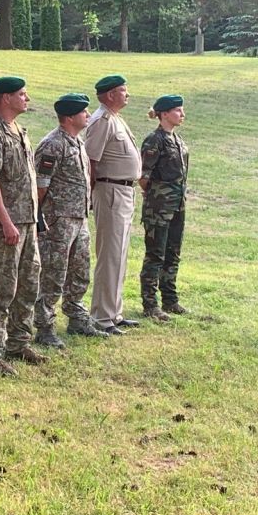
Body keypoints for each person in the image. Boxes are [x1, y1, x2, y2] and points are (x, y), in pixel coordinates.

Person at [0, 76, 49, 376]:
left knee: (29, 284)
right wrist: (5, 222)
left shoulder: (19, 132)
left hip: (27, 221)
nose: (26, 98)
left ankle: (18, 341)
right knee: (2, 287)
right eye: (21, 94)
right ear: (5, 98)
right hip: (6, 224)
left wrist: (34, 218)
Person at [33, 93, 108, 348]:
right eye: (83, 112)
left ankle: (77, 317)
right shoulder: (53, 144)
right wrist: (41, 219)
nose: (88, 115)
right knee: (53, 273)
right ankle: (44, 326)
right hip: (58, 220)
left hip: (78, 217)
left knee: (79, 270)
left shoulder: (77, 143)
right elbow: (40, 185)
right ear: (68, 117)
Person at [84, 75, 143, 335]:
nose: (127, 94)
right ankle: (102, 318)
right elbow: (90, 161)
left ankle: (114, 313)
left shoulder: (115, 118)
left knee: (119, 254)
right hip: (110, 190)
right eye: (122, 90)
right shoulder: (102, 120)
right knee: (109, 254)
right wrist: (94, 194)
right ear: (109, 95)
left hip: (123, 191)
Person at [139, 95, 190, 321]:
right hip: (158, 208)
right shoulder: (154, 140)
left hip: (177, 206)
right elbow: (143, 176)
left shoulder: (178, 141)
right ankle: (150, 304)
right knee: (155, 255)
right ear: (164, 114)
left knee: (173, 253)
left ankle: (170, 300)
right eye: (178, 110)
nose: (182, 114)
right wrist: (155, 197)